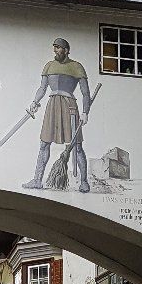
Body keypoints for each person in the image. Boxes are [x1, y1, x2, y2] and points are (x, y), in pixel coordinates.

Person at [23, 37, 91, 193]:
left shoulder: (77, 66)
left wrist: (85, 112)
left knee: (77, 146)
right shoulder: (49, 66)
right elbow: (42, 88)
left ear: (66, 50)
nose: (55, 50)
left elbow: (85, 93)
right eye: (54, 47)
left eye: (58, 47)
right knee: (44, 144)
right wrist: (34, 102)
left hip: (69, 107)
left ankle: (84, 182)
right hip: (52, 106)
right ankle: (37, 180)